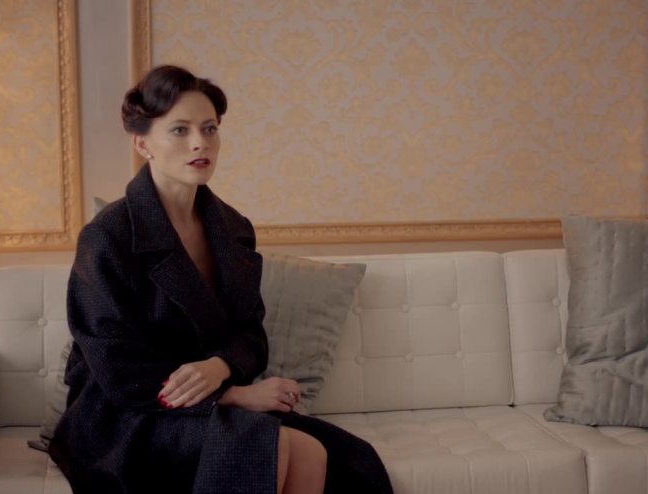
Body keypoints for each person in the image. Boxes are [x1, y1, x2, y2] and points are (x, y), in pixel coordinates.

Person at [48, 65, 393, 494]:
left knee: (335, 456)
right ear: (142, 143)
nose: (200, 142)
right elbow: (114, 365)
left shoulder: (233, 228)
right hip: (126, 414)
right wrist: (231, 395)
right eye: (180, 130)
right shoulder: (108, 236)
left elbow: (251, 336)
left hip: (206, 402)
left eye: (209, 128)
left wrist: (220, 366)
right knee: (266, 447)